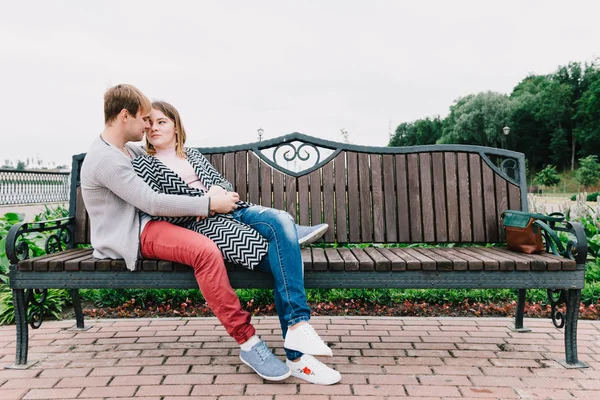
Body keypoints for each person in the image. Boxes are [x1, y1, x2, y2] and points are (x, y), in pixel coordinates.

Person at [80, 84, 290, 381]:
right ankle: (248, 341)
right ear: (125, 116)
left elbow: (168, 166)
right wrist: (208, 203)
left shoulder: (122, 149)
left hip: (147, 224)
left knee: (242, 240)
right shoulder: (106, 159)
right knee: (204, 251)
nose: (147, 126)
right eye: (143, 119)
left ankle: (283, 246)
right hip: (131, 235)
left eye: (155, 121)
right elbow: (151, 201)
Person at [131, 100, 342, 385]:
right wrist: (209, 203)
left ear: (176, 127)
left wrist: (220, 192)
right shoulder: (144, 163)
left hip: (236, 209)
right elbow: (165, 207)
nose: (154, 128)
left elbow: (224, 184)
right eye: (150, 123)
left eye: (162, 122)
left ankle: (298, 326)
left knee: (280, 219)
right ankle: (298, 356)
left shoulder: (191, 154)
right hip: (207, 225)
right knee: (283, 258)